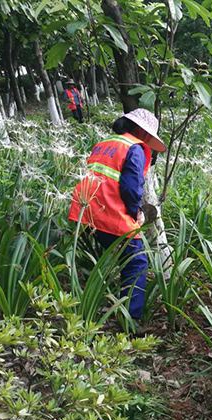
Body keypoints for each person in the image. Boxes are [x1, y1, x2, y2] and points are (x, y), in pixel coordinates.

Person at [67, 108, 166, 322]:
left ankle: (105, 305)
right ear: (142, 131)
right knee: (136, 262)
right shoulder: (134, 148)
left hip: (86, 213)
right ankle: (130, 321)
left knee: (119, 256)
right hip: (110, 214)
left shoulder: (104, 144)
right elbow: (131, 188)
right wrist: (136, 213)